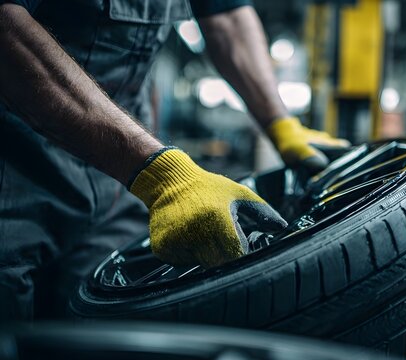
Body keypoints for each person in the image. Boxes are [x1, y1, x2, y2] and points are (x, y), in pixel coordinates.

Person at [0, 0, 348, 321]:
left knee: (110, 328)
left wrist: (282, 125)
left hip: (119, 185)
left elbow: (226, 15)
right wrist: (164, 176)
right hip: (15, 175)